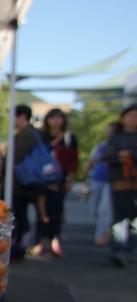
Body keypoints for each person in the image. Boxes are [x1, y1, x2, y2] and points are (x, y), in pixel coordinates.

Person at [31, 108, 78, 258]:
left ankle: (54, 241)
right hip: (42, 179)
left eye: (59, 117)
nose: (56, 121)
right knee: (41, 211)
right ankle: (41, 241)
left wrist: (70, 179)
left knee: (56, 210)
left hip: (59, 179)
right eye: (52, 117)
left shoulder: (69, 138)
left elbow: (73, 161)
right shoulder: (40, 136)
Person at [102, 103, 137, 267]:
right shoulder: (116, 137)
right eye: (131, 115)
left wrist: (130, 154)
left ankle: (131, 250)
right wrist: (118, 156)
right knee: (119, 219)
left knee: (135, 220)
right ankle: (118, 251)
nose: (133, 119)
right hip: (119, 182)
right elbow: (106, 155)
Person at [10, 105, 40, 260]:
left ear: (22, 117)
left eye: (13, 117)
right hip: (22, 182)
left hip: (21, 183)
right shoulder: (28, 133)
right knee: (20, 215)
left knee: (19, 215)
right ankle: (19, 245)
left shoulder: (27, 134)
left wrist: (3, 165)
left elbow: (14, 157)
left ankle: (19, 247)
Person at [82, 122, 117, 246]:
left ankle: (101, 234)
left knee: (105, 209)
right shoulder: (100, 146)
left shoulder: (121, 146)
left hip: (111, 180)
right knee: (95, 208)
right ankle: (106, 229)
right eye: (108, 131)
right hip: (96, 179)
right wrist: (84, 176)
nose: (109, 133)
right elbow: (91, 162)